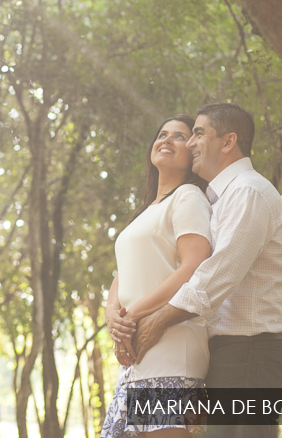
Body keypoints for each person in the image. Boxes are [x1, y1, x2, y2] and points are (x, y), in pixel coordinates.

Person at [128, 103, 282, 437]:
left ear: (227, 142)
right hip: (234, 356)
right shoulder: (222, 200)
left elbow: (215, 276)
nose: (190, 143)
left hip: (253, 355)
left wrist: (155, 322)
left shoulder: (248, 191)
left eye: (198, 133)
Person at [101, 115, 213, 437]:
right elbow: (121, 274)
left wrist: (132, 315)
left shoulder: (189, 196)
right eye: (162, 134)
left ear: (192, 152)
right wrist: (113, 315)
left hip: (173, 350)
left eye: (179, 136)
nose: (166, 140)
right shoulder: (147, 210)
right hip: (137, 355)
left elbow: (193, 266)